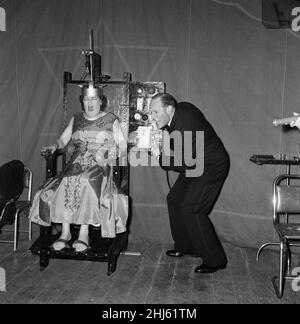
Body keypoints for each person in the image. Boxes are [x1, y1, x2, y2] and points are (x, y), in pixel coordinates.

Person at [29, 83, 128, 252]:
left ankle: (84, 232)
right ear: (82, 101)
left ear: (101, 101)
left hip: (99, 165)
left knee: (86, 181)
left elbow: (123, 145)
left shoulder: (110, 119)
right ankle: (65, 232)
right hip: (76, 164)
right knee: (65, 181)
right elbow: (63, 140)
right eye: (86, 99)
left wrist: (110, 154)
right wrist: (55, 146)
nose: (90, 103)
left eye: (94, 99)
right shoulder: (76, 118)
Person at [149, 93, 230, 274]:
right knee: (175, 200)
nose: (152, 117)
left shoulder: (186, 125)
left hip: (210, 166)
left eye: (155, 112)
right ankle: (186, 246)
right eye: (151, 112)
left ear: (169, 109)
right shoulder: (179, 112)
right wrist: (159, 137)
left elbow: (185, 162)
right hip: (196, 163)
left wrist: (157, 155)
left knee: (192, 209)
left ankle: (215, 260)